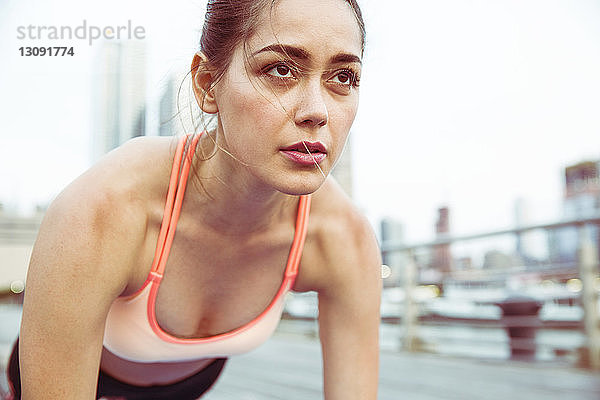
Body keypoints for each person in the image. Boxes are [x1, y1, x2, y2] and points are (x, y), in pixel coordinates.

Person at [7, 0, 382, 398]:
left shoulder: (343, 237)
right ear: (207, 84)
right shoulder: (106, 207)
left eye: (343, 77)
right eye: (281, 70)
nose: (317, 111)